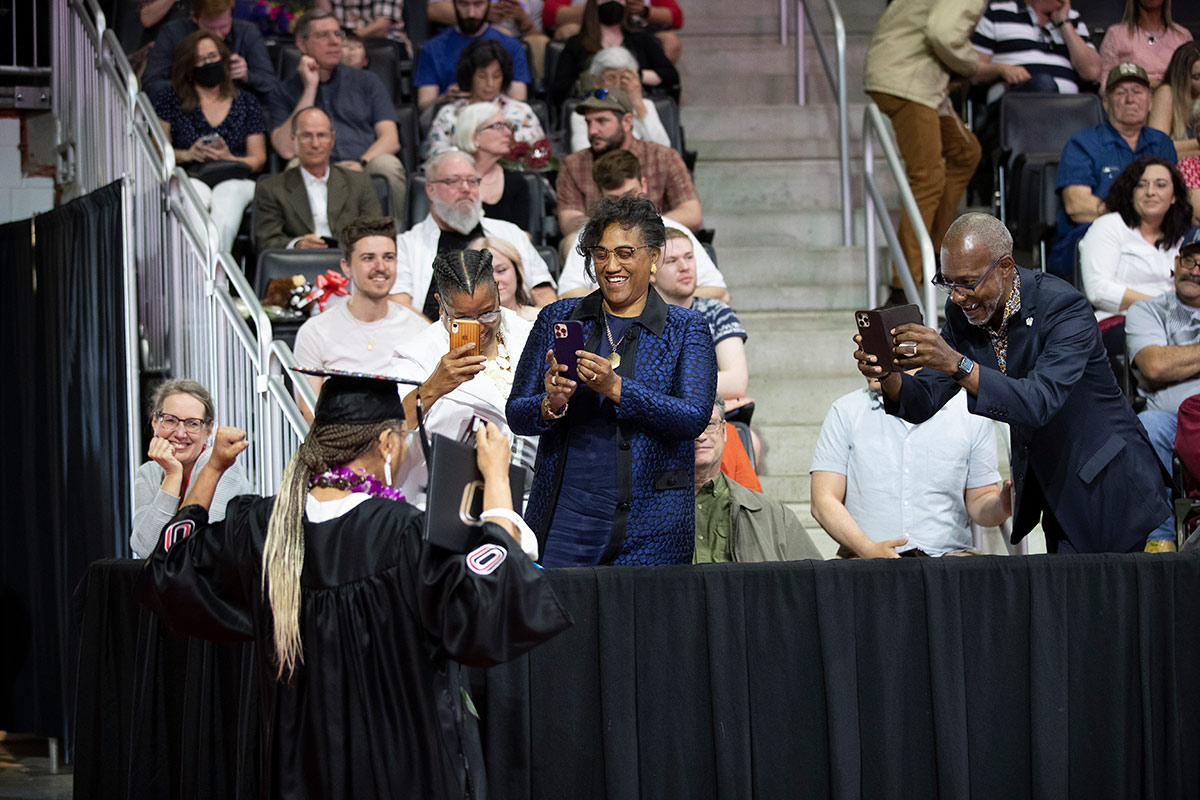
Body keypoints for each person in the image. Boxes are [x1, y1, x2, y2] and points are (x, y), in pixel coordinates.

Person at [137, 371, 571, 799]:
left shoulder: (261, 527)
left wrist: (212, 469)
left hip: (297, 768)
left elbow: (172, 568)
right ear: (386, 444)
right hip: (395, 768)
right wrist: (495, 479)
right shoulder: (402, 535)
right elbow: (491, 596)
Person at [855, 212, 1171, 553]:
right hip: (1056, 488)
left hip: (1112, 484)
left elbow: (1039, 401)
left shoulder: (1064, 308)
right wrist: (887, 375)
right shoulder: (966, 316)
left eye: (968, 282)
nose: (958, 296)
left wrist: (954, 362)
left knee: (1124, 604)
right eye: (948, 282)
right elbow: (922, 401)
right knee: (1070, 604)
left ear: (1005, 266)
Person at [507, 194, 717, 566]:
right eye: (600, 254)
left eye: (624, 253)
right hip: (563, 520)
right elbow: (517, 414)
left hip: (652, 530)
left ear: (653, 257)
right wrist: (549, 403)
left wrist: (617, 388)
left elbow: (692, 417)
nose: (610, 265)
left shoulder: (687, 329)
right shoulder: (558, 317)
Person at [392, 249, 538, 508]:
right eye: (464, 319)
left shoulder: (527, 334)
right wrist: (432, 388)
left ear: (496, 289)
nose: (480, 326)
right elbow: (390, 430)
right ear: (440, 304)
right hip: (449, 503)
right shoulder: (416, 356)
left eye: (488, 312)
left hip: (530, 496)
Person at [810, 372, 1009, 558]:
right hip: (862, 562)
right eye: (861, 348)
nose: (865, 359)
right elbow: (823, 501)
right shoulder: (846, 411)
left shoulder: (969, 413)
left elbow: (980, 500)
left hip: (947, 561)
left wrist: (1003, 505)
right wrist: (867, 549)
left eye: (875, 345)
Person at [863, 0, 984, 306]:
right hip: (908, 80)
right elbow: (942, 33)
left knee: (965, 152)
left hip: (916, 78)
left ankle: (935, 251)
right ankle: (903, 286)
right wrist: (971, 64)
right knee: (928, 177)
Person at [267, 10, 406, 222]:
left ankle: (394, 242)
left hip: (364, 162)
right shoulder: (283, 91)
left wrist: (361, 163)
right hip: (315, 166)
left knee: (388, 165)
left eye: (337, 34)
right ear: (302, 44)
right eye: (323, 36)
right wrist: (310, 89)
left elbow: (390, 138)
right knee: (294, 168)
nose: (334, 42)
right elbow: (287, 149)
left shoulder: (367, 81)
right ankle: (310, 246)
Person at [389, 150, 557, 319]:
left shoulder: (511, 233)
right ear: (430, 190)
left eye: (472, 181)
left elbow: (543, 292)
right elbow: (400, 306)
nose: (466, 189)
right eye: (453, 181)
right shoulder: (406, 245)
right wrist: (437, 339)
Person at [292, 217, 427, 421]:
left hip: (406, 443)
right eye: (368, 258)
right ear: (346, 267)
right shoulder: (315, 332)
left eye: (389, 257)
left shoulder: (418, 329)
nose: (380, 266)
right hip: (338, 445)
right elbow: (308, 413)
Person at [1051, 62, 1177, 278]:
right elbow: (1077, 206)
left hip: (1155, 235)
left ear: (1150, 102)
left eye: (1137, 92)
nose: (1130, 99)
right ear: (1106, 103)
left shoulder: (1162, 143)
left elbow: (1174, 198)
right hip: (1096, 236)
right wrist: (1139, 214)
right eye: (1121, 93)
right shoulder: (1083, 143)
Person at [557, 149, 726, 301]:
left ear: (644, 185)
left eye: (630, 194)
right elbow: (567, 292)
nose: (624, 203)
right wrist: (618, 303)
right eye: (614, 199)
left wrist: (658, 304)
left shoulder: (675, 231)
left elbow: (718, 290)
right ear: (601, 195)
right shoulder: (591, 234)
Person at [152, 30, 267, 252]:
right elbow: (155, 149)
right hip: (191, 174)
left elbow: (259, 159)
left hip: (237, 178)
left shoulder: (247, 101)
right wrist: (188, 154)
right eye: (200, 60)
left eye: (213, 57)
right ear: (189, 67)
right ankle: (209, 272)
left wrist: (229, 158)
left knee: (228, 199)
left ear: (223, 58)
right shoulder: (171, 100)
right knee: (193, 196)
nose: (208, 64)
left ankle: (211, 269)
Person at [1126, 225, 1200, 551]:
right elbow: (1154, 365)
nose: (1194, 271)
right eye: (1189, 261)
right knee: (1147, 427)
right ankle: (1159, 540)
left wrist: (1182, 361)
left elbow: (1169, 364)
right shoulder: (1148, 310)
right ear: (1175, 265)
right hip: (1170, 418)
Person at [556, 88, 701, 238]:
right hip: (598, 242)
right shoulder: (573, 165)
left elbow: (692, 213)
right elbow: (568, 223)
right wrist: (612, 229)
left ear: (626, 122)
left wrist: (641, 228)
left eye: (601, 121)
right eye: (588, 122)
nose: (592, 131)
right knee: (571, 241)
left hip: (656, 240)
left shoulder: (664, 157)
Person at [130, 379, 252, 557]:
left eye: (192, 423)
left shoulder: (223, 467)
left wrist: (172, 473)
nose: (180, 433)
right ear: (155, 422)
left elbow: (194, 553)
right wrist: (172, 476)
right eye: (170, 420)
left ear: (208, 430)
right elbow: (144, 549)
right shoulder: (149, 472)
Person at [693, 396, 821, 563]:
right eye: (691, 426)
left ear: (724, 432)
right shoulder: (650, 512)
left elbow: (813, 582)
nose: (701, 435)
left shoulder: (776, 518)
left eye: (709, 424)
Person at [1080, 158, 1190, 330]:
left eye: (1160, 185)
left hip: (1178, 321)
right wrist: (1162, 306)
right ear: (1131, 193)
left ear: (1174, 196)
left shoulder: (1182, 236)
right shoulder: (1109, 225)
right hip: (1119, 320)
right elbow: (1098, 291)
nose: (1150, 192)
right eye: (1141, 185)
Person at [253, 107, 383, 252]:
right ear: (294, 139)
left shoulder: (359, 183)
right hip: (297, 266)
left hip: (347, 264)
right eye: (307, 136)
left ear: (332, 139)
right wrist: (297, 244)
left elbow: (375, 234)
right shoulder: (271, 188)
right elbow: (266, 242)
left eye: (321, 135)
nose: (315, 144)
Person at [653, 228, 749, 406]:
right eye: (671, 261)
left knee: (748, 435)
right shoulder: (639, 317)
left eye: (689, 257)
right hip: (658, 424)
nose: (684, 267)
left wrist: (664, 390)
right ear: (651, 273)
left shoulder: (716, 312)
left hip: (712, 420)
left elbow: (736, 381)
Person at [425, 39, 545, 160]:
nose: (490, 83)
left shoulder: (522, 113)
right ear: (469, 76)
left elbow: (539, 156)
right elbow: (435, 157)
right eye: (482, 76)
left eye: (496, 76)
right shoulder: (449, 115)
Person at [547, 0, 678, 108]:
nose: (612, 1)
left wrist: (634, 75)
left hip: (634, 105)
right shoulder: (576, 43)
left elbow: (670, 75)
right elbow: (560, 89)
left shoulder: (641, 39)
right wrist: (594, 78)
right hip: (592, 106)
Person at [969, 0, 1101, 107]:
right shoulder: (997, 13)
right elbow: (972, 70)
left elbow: (1092, 72)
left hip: (1067, 111)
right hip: (1010, 105)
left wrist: (1064, 23)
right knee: (1043, 84)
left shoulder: (1072, 19)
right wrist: (1001, 69)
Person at [141, 0, 277, 100]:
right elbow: (151, 85)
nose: (217, 35)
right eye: (210, 28)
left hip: (236, 112)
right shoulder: (173, 32)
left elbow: (272, 86)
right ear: (194, 17)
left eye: (224, 26)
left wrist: (247, 76)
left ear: (231, 14)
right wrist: (192, 83)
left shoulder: (247, 32)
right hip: (186, 109)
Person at [414, 0, 532, 110]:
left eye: (478, 4)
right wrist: (444, 98)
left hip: (499, 118)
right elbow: (424, 108)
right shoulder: (432, 48)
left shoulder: (511, 46)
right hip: (452, 118)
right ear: (454, 3)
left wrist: (492, 94)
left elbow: (519, 103)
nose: (471, 13)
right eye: (464, 4)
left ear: (488, 4)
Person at [568, 45, 670, 152]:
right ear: (595, 81)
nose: (618, 84)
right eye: (611, 78)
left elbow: (664, 150)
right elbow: (582, 154)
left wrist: (638, 105)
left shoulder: (645, 105)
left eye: (625, 78)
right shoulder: (584, 113)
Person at [451, 102, 535, 229]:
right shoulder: (449, 180)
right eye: (498, 126)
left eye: (507, 125)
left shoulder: (516, 182)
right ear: (475, 137)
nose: (508, 132)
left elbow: (524, 236)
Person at [429, 0, 550, 78]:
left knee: (540, 42)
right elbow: (433, 9)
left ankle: (539, 90)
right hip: (473, 34)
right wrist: (482, 13)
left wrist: (523, 20)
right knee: (502, 35)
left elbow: (536, 32)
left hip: (518, 39)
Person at [1149, 42, 1200, 219]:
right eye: (1197, 77)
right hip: (1177, 173)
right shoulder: (1166, 93)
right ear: (1182, 77)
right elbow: (1157, 148)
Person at [1098, 0, 1193, 89]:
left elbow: (1192, 79)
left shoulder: (1182, 36)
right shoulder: (1116, 34)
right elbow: (1105, 82)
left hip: (1174, 100)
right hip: (1133, 101)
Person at [470, 235, 540, 320]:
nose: (495, 280)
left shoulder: (543, 320)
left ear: (517, 273)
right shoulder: (461, 326)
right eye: (484, 274)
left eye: (501, 270)